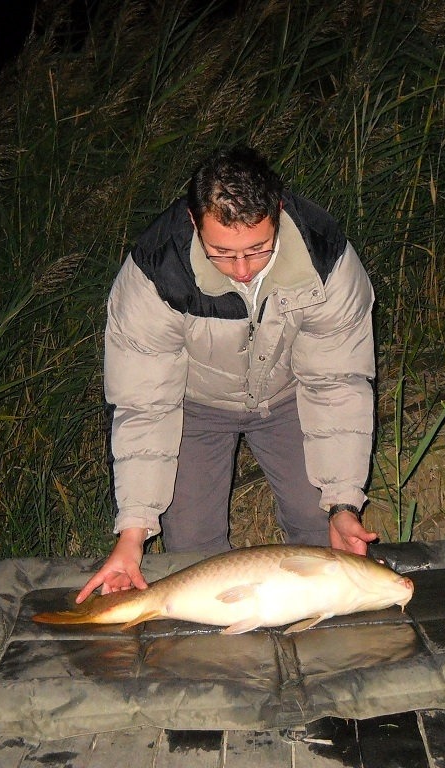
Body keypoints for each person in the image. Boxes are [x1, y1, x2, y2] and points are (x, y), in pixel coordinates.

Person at [76, 145, 377, 603]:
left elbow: (337, 383)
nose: (241, 270)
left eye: (258, 249)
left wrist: (343, 501)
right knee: (193, 554)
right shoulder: (156, 274)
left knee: (323, 534)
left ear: (276, 212)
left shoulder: (325, 258)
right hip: (193, 406)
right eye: (222, 253)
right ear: (196, 224)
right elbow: (144, 405)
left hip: (289, 394)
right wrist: (132, 535)